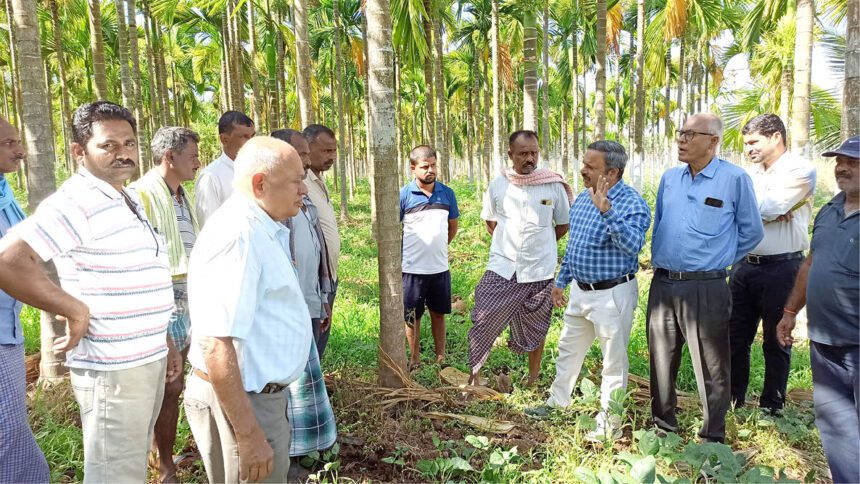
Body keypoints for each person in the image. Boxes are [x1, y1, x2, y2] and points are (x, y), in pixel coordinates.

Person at [0, 101, 182, 482]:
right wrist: (75, 309)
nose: (123, 153)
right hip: (113, 369)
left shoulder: (123, 196)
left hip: (143, 358)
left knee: (130, 468)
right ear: (79, 152)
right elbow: (9, 261)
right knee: (114, 474)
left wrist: (163, 340)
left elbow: (138, 277)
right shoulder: (76, 200)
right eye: (109, 145)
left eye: (129, 143)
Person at [183, 136, 313, 484]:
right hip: (245, 403)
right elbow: (215, 342)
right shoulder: (240, 236)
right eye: (296, 181)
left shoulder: (259, 228)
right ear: (260, 184)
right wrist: (250, 434)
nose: (304, 189)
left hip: (255, 398)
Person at [648, 113, 764, 443]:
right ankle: (664, 428)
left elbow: (751, 231)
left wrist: (718, 260)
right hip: (663, 283)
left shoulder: (734, 179)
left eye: (690, 134)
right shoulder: (670, 178)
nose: (681, 139)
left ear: (713, 141)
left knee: (712, 365)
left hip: (706, 286)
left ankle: (712, 435)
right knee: (660, 357)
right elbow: (660, 224)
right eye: (680, 132)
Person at [525, 141, 651, 443]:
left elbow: (634, 247)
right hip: (581, 292)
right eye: (584, 163)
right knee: (568, 349)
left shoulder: (632, 203)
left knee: (613, 361)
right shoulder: (581, 199)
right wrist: (561, 281)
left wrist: (607, 212)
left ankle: (609, 424)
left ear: (612, 172)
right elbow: (575, 246)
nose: (582, 170)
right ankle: (557, 402)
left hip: (612, 295)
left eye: (590, 167)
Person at [776, 136, 859, 484]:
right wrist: (791, 311)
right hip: (824, 340)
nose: (842, 167)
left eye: (852, 162)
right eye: (839, 161)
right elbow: (812, 262)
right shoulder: (828, 210)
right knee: (836, 424)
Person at [468, 130, 571, 387]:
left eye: (534, 153)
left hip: (540, 270)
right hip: (503, 267)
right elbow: (491, 222)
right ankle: (474, 378)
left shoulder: (553, 185)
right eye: (523, 153)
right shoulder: (498, 184)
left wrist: (540, 245)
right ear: (510, 155)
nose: (529, 158)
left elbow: (562, 224)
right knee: (483, 318)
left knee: (538, 325)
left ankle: (533, 380)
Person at [729, 114, 816, 414]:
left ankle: (772, 405)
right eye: (746, 144)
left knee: (776, 339)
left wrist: (757, 209)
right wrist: (759, 210)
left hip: (782, 268)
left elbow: (772, 207)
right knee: (735, 336)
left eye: (754, 142)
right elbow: (740, 209)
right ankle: (733, 400)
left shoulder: (801, 170)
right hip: (743, 265)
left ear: (776, 136)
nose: (748, 149)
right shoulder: (748, 174)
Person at [130, 126, 201, 482]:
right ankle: (164, 466)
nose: (198, 163)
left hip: (188, 294)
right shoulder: (141, 193)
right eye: (192, 157)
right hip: (162, 296)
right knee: (168, 382)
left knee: (176, 380)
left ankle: (163, 454)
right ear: (169, 157)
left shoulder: (181, 195)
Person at [271, 129, 337, 474]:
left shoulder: (305, 193)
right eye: (302, 152)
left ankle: (303, 449)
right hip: (290, 308)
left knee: (307, 371)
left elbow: (316, 250)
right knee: (289, 380)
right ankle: (293, 453)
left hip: (311, 297)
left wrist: (323, 296)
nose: (308, 160)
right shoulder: (273, 211)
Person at [0, 116, 50, 483]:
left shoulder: (5, 193)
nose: (20, 150)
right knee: (8, 432)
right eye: (8, 143)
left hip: (10, 330)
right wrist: (69, 306)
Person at [400, 145, 459, 370]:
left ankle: (440, 357)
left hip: (439, 268)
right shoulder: (405, 195)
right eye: (425, 167)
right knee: (412, 316)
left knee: (438, 313)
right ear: (413, 168)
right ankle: (414, 358)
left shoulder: (447, 193)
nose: (430, 170)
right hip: (412, 269)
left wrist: (439, 247)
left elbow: (452, 227)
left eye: (433, 165)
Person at [302, 124, 340, 357]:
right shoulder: (302, 182)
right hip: (313, 278)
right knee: (311, 337)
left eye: (334, 151)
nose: (332, 157)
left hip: (328, 276)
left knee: (321, 335)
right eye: (326, 151)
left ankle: (316, 387)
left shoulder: (318, 180)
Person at [194, 111, 255, 228]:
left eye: (252, 136)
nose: (251, 142)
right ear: (224, 139)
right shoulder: (211, 177)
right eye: (244, 137)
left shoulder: (258, 170)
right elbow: (209, 229)